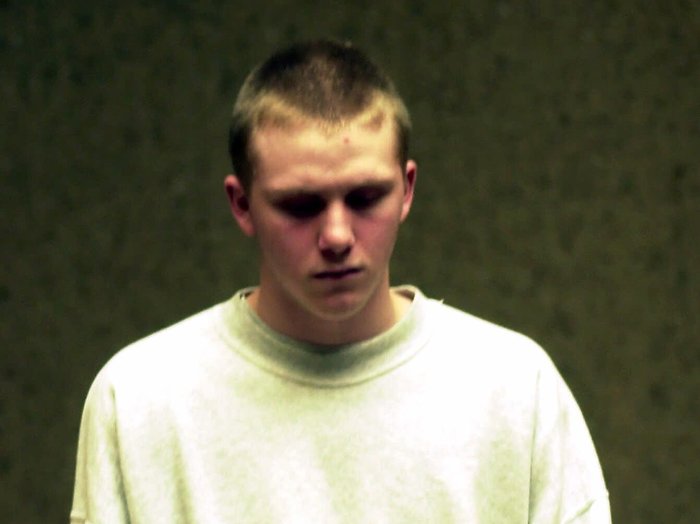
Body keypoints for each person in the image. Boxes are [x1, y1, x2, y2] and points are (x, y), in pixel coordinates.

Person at [70, 39, 611, 523]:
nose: (335, 235)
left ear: (407, 189)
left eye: (364, 198)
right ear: (241, 205)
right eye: (300, 205)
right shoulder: (140, 398)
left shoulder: (516, 390)